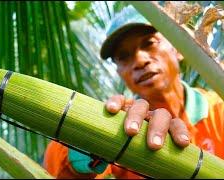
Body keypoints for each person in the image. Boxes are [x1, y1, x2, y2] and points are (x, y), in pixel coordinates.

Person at [43, 5, 224, 179]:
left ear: (178, 48)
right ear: (119, 72)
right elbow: (55, 169)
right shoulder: (124, 126)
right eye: (123, 57)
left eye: (149, 43)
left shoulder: (219, 110)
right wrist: (82, 150)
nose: (139, 60)